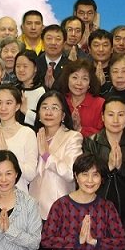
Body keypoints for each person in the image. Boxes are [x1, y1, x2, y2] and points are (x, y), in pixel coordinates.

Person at [82, 96, 125, 230]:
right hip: (97, 204)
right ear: (103, 117)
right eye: (110, 115)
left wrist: (121, 167)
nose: (116, 120)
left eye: (120, 115)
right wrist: (108, 167)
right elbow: (85, 179)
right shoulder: (90, 142)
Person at [29, 90, 84, 221]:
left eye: (54, 108)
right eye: (44, 108)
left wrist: (46, 155)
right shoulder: (33, 136)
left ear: (63, 114)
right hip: (33, 208)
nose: (49, 112)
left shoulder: (72, 137)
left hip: (60, 208)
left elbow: (71, 173)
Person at [0, 85, 38, 193]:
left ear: (17, 106)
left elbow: (31, 174)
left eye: (8, 103)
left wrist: (8, 154)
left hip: (19, 195)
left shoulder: (27, 133)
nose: (3, 108)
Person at [56, 59, 104, 137]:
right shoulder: (59, 101)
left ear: (90, 83)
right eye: (75, 77)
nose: (79, 83)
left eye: (84, 79)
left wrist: (80, 129)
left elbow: (104, 136)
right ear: (67, 79)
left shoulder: (100, 104)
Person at [14, 50, 45, 127]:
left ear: (35, 68)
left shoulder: (42, 92)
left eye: (25, 66)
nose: (21, 70)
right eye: (18, 66)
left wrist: (26, 111)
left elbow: (45, 121)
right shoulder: (13, 90)